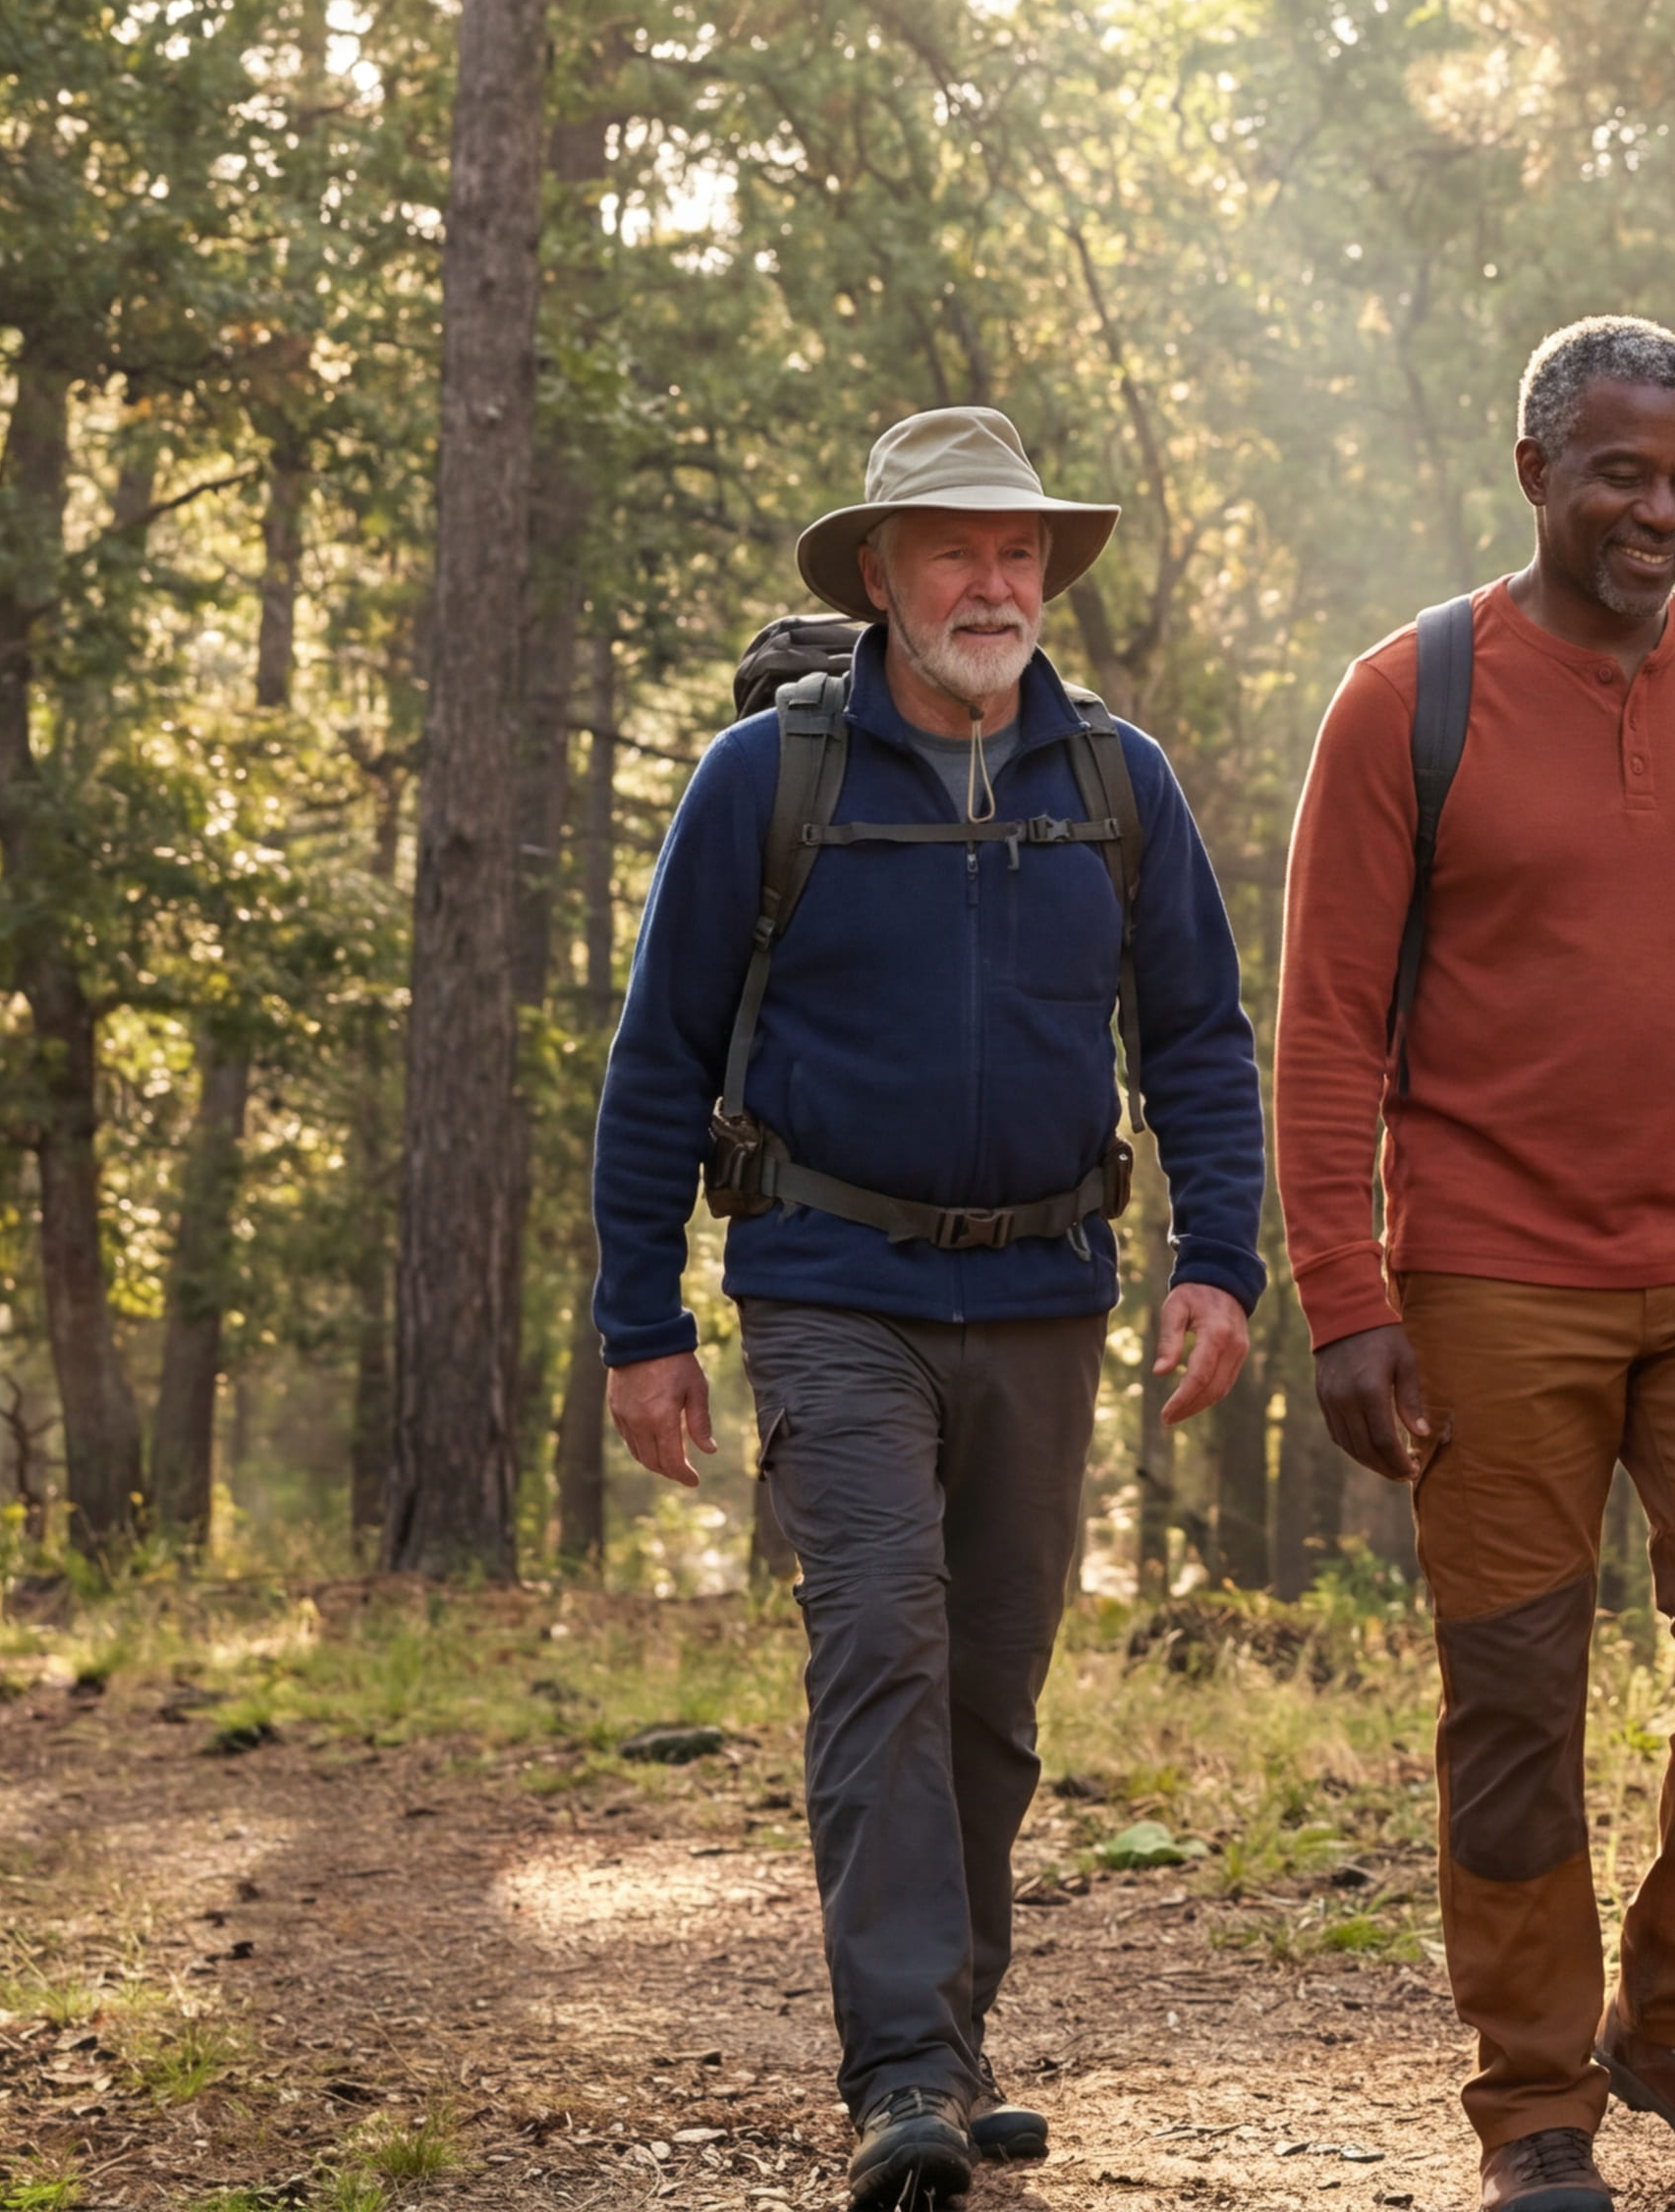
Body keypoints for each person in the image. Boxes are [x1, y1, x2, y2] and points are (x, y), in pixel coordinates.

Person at [590, 406, 1272, 2211]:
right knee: (882, 1640)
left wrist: (1220, 1261)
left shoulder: (1116, 782)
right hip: (832, 1282)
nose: (993, 583)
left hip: (1045, 1292)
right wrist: (638, 1322)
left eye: (1018, 551)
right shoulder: (767, 780)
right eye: (954, 549)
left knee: (992, 1687)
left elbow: (1200, 1042)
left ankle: (951, 2044)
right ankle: (898, 2065)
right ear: (880, 576)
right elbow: (658, 1058)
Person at [1274, 317, 1675, 2212]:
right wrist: (1345, 1294)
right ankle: (1535, 2098)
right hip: (1488, 1278)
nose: (1662, 511)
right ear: (1537, 470)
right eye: (1624, 472)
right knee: (1515, 1692)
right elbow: (1326, 1025)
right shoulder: (1410, 699)